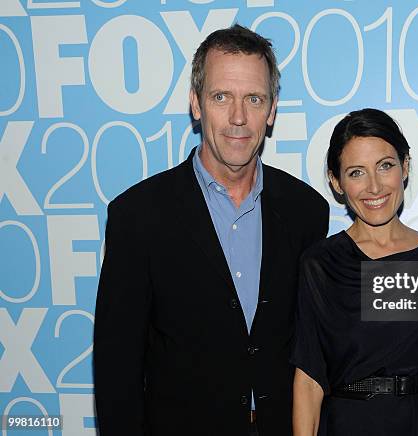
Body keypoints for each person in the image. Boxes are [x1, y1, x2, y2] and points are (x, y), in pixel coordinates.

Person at [93, 24, 329, 436]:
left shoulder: (306, 210)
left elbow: (313, 349)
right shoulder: (138, 215)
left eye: (253, 99)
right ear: (196, 104)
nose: (238, 117)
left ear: (272, 109)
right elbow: (118, 366)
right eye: (221, 97)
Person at [291, 108, 418, 435]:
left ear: (405, 167)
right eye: (356, 172)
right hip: (350, 426)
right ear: (336, 181)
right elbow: (309, 379)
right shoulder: (321, 264)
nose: (374, 187)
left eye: (385, 166)